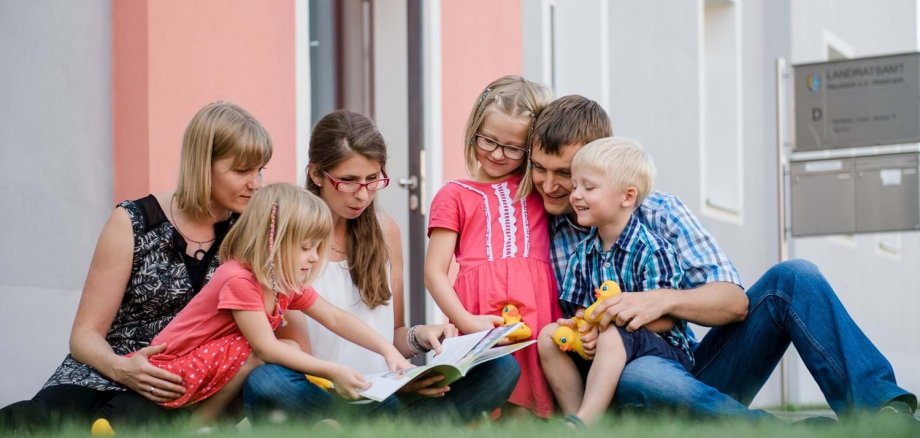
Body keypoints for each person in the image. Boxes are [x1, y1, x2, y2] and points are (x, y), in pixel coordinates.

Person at [528, 94, 917, 420]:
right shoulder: (537, 224)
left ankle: (881, 410)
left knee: (795, 277)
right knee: (640, 374)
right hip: (610, 387)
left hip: (685, 370)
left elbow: (734, 303)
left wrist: (661, 300)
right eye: (539, 169)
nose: (549, 185)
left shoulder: (660, 213)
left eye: (566, 173)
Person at [0, 101, 277, 431]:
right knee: (37, 421)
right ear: (203, 165)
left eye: (260, 170)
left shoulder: (254, 233)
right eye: (242, 171)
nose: (256, 184)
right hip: (103, 369)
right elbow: (85, 336)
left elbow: (278, 331)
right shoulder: (132, 221)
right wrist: (121, 369)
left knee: (120, 426)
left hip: (180, 383)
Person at [242, 110, 521, 424]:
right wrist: (365, 387)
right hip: (322, 392)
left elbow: (393, 336)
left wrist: (421, 337)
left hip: (388, 393)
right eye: (348, 181)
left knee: (500, 369)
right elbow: (297, 354)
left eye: (372, 179)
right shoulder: (289, 238)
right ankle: (383, 426)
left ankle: (373, 426)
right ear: (317, 175)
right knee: (267, 382)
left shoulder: (386, 232)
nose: (362, 195)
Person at [138, 183, 412, 425]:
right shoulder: (239, 279)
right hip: (171, 372)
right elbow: (265, 349)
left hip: (207, 370)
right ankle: (197, 426)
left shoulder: (279, 282)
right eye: (305, 247)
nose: (315, 257)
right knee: (262, 353)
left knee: (288, 348)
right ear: (272, 243)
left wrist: (387, 350)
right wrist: (332, 370)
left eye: (317, 247)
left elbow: (335, 318)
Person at [424, 75, 559, 418]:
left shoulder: (540, 188)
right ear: (475, 130)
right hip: (478, 312)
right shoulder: (453, 194)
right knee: (488, 406)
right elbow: (434, 272)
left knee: (529, 412)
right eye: (488, 140)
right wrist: (466, 321)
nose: (498, 154)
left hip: (538, 311)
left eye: (513, 148)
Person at [537, 137, 690, 426]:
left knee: (612, 334)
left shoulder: (652, 250)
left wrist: (606, 328)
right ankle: (576, 419)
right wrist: (582, 327)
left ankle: (585, 421)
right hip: (602, 345)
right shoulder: (583, 253)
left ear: (627, 197)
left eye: (588, 187)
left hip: (662, 350)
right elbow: (580, 309)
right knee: (548, 336)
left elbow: (666, 319)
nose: (575, 195)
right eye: (576, 185)